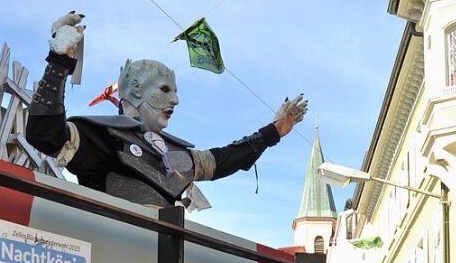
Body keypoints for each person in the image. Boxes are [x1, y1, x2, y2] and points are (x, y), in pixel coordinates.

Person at [25, 13, 308, 208]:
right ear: (135, 89)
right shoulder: (99, 136)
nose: (176, 101)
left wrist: (273, 132)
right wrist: (59, 63)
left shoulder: (172, 154)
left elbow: (220, 161)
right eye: (165, 90)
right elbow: (45, 134)